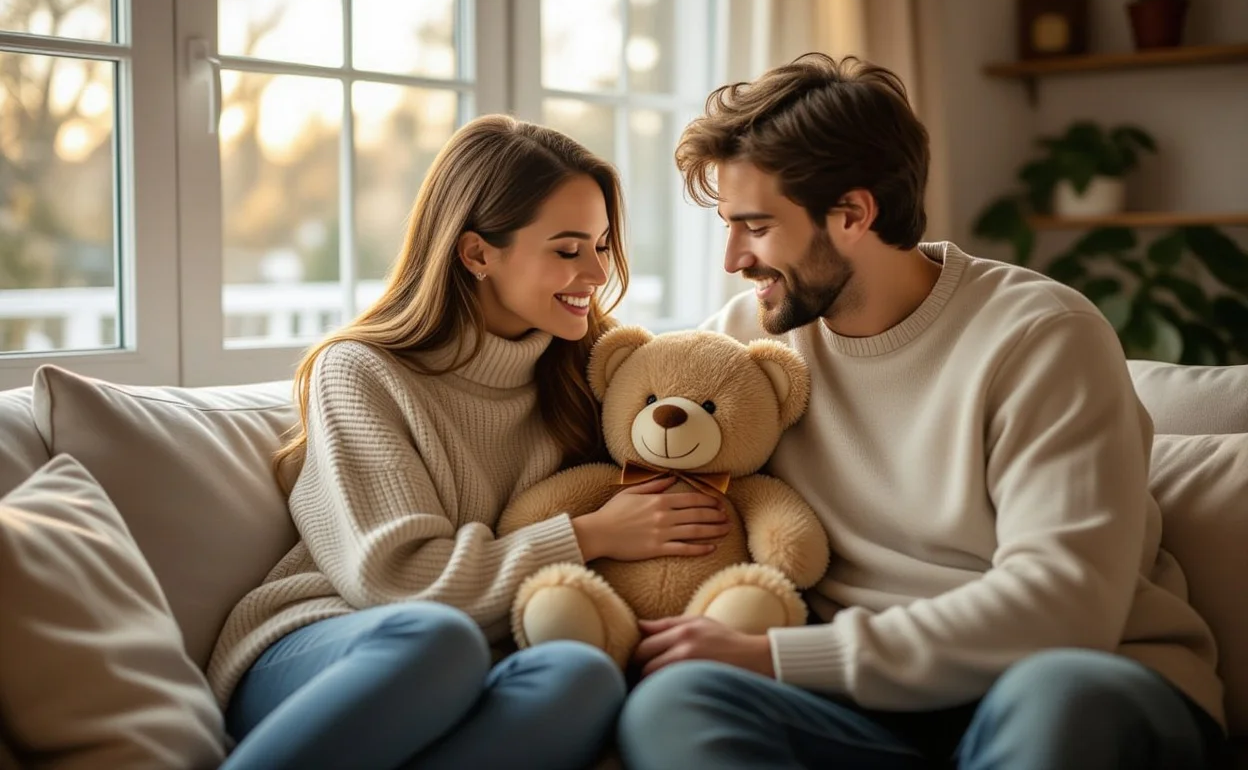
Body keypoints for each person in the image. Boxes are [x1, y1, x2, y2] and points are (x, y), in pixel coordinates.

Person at [616, 55, 1228, 769]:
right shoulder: (747, 341)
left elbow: (1066, 608)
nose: (731, 259)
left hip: (1083, 677)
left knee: (1058, 694)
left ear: (853, 213)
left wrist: (783, 656)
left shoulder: (1042, 334)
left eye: (754, 226)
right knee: (675, 701)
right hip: (865, 706)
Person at [206, 115, 732, 770]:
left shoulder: (592, 369)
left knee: (582, 675)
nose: (598, 273)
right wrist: (590, 534)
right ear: (477, 253)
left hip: (481, 662)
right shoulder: (364, 372)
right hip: (326, 650)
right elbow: (393, 581)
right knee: (438, 640)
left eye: (601, 245)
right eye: (569, 250)